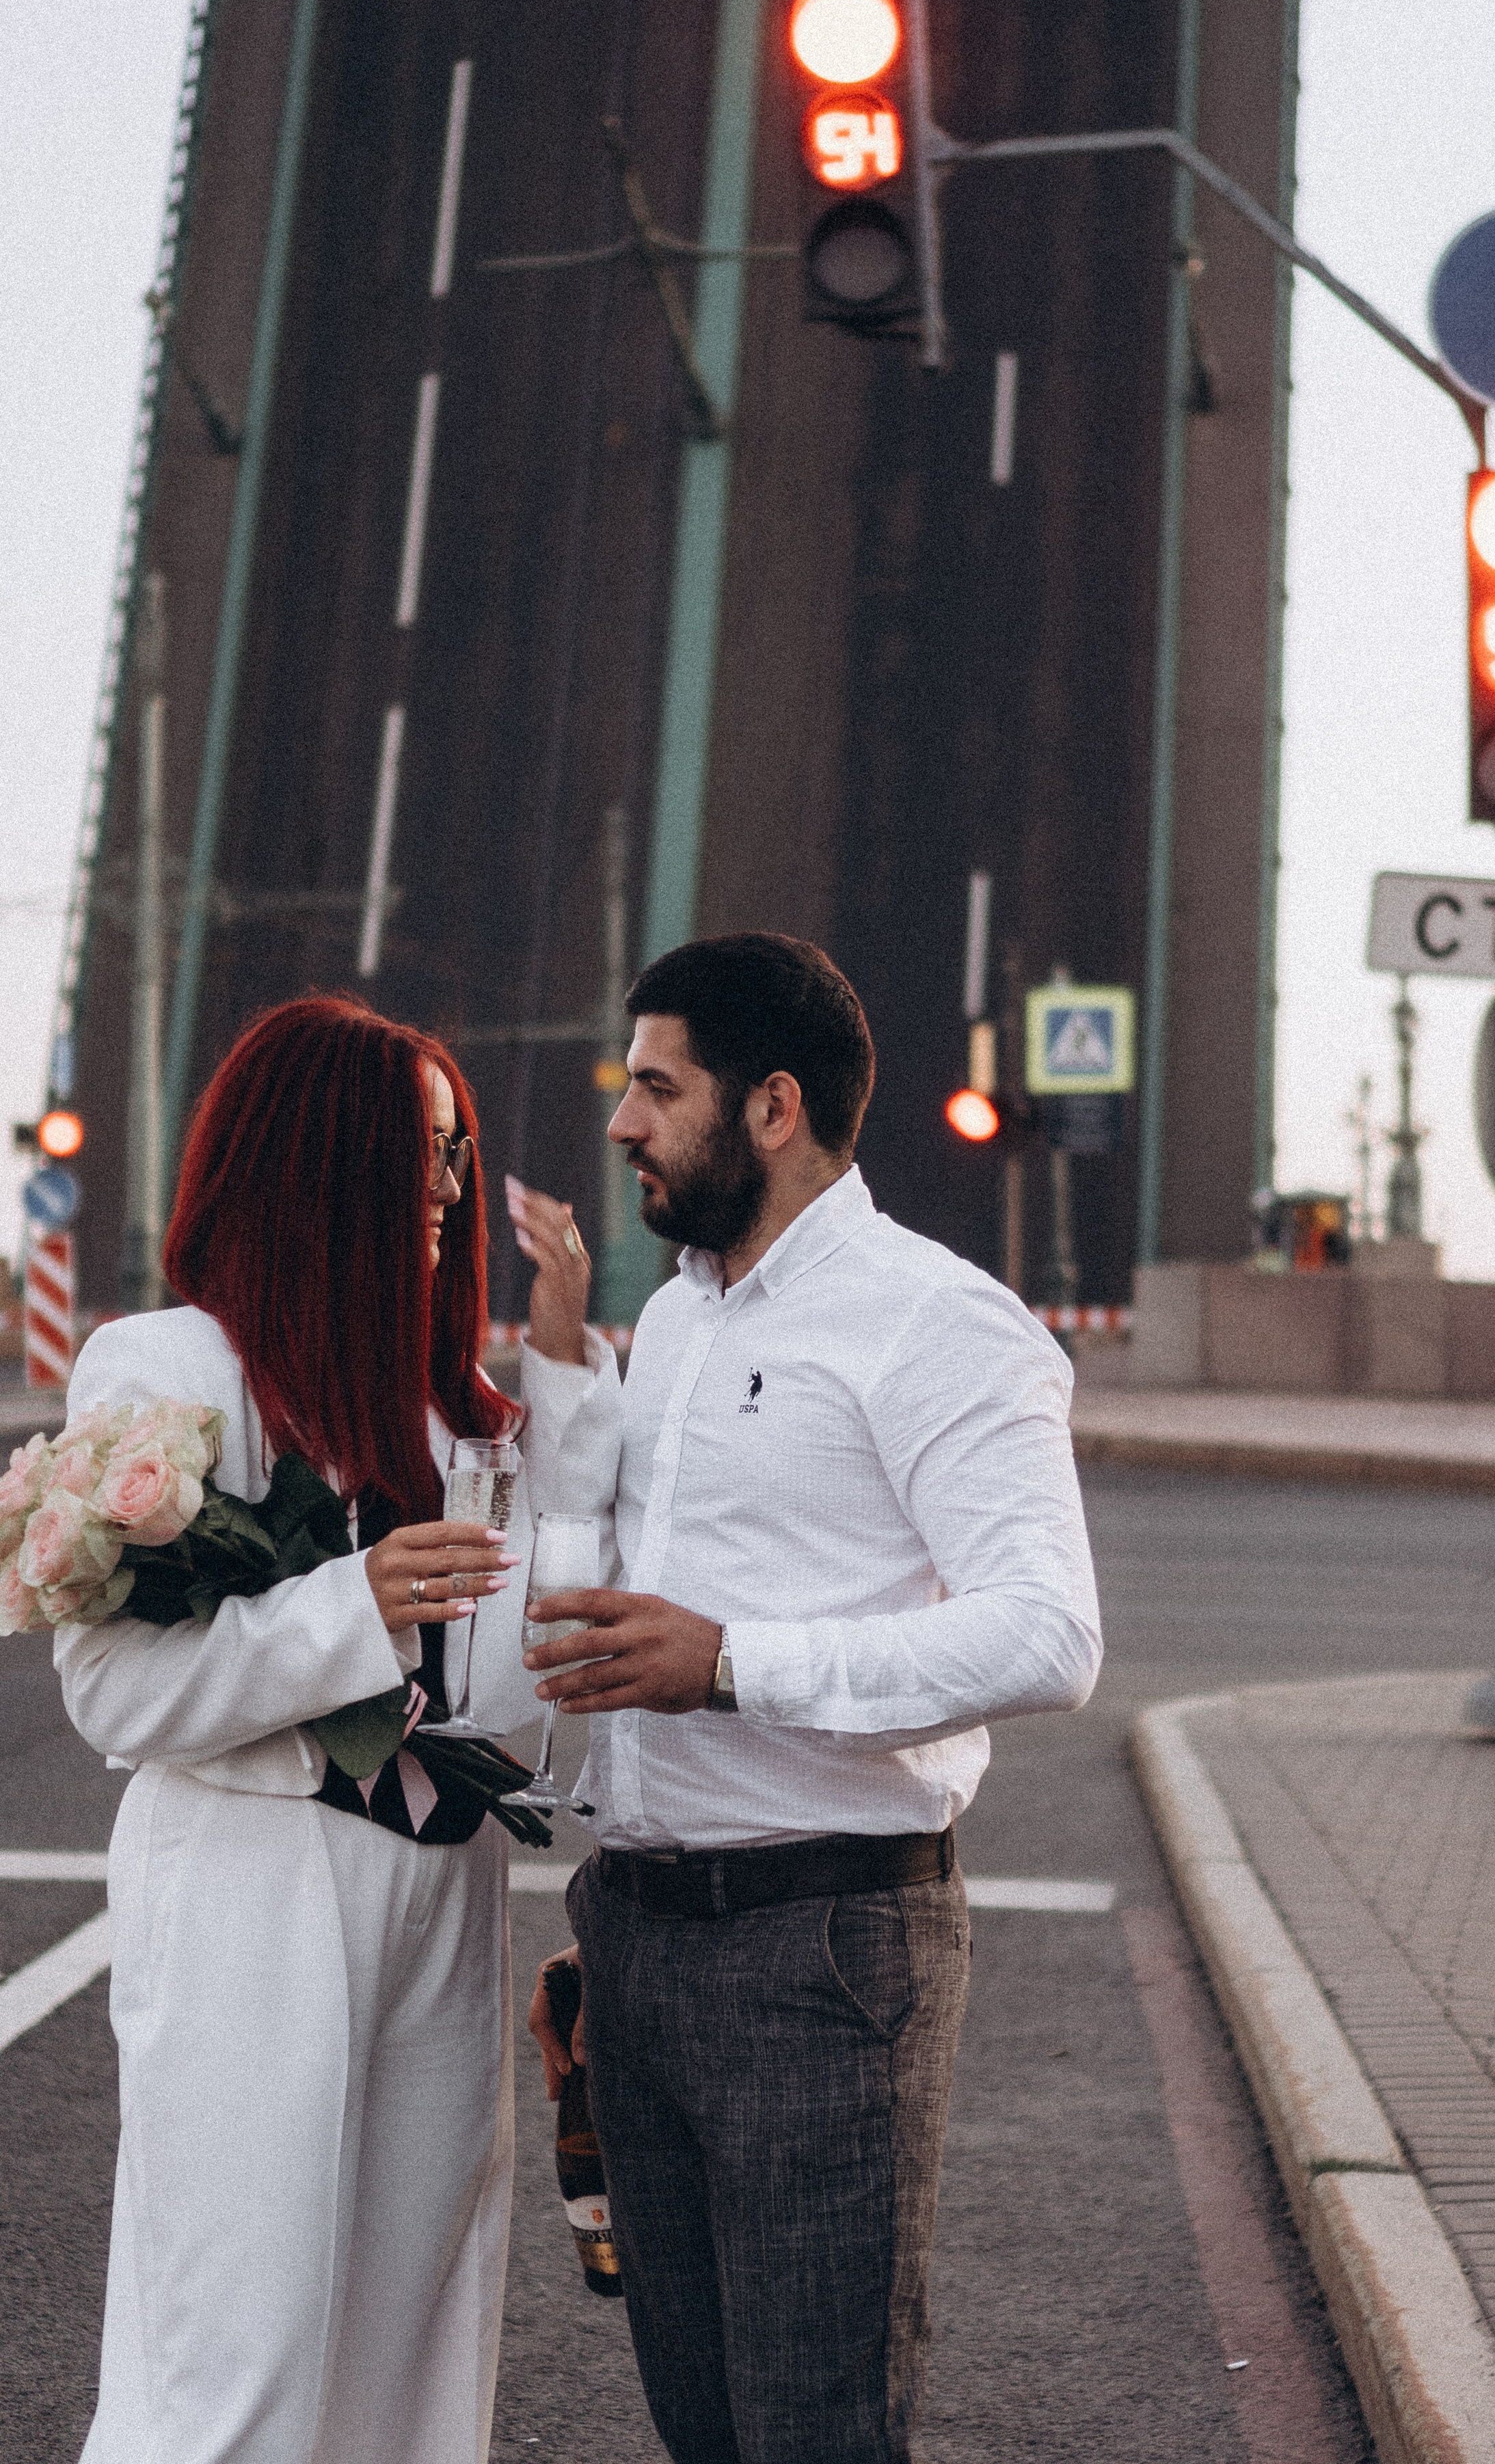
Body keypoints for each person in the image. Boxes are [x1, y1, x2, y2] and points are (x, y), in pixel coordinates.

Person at [526, 933, 1102, 2464]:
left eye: (656, 1087)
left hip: (820, 1953)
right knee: (699, 2425)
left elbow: (1046, 1636)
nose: (621, 1123)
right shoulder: (683, 1323)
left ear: (769, 1107)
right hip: (640, 1939)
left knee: (814, 2433)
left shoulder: (941, 1325)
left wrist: (728, 1663)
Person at [57, 995, 619, 2464]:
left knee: (418, 2344)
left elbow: (506, 1693)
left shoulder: (454, 1416)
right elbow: (114, 1696)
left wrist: (559, 1391)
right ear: (318, 1158)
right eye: (417, 1152)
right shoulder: (171, 1370)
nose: (443, 1190)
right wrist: (351, 1608)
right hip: (255, 1881)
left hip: (442, 1887)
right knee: (233, 2351)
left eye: (455, 1155)